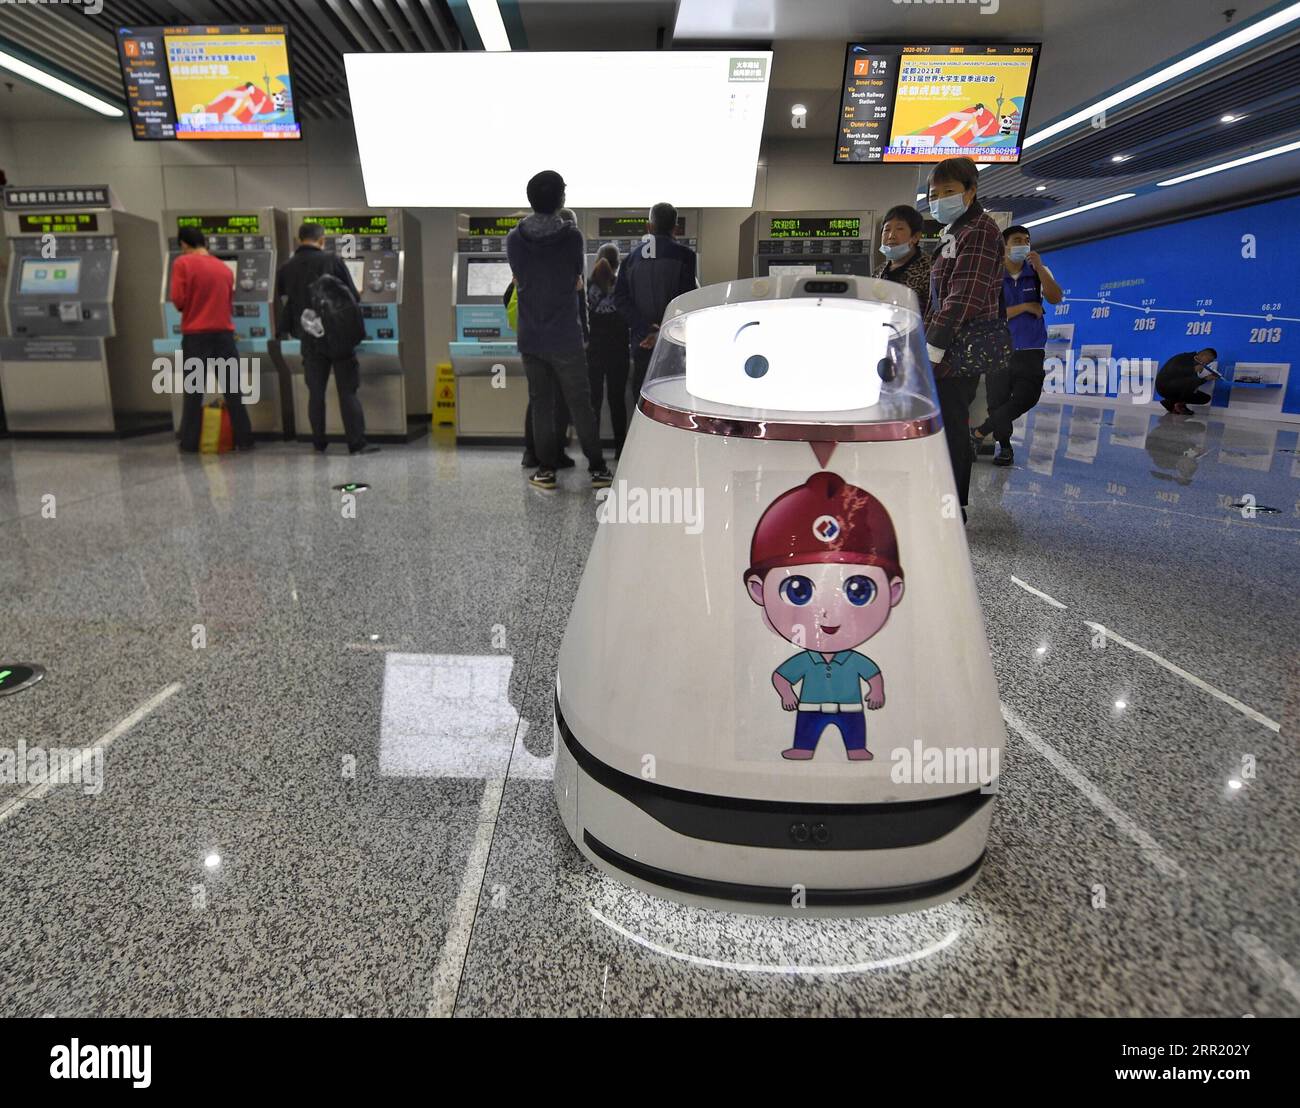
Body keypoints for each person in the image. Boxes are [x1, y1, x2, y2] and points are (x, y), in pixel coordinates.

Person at [506, 170, 612, 491]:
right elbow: (573, 280)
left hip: (531, 337)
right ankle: (597, 469)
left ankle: (546, 470)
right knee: (580, 404)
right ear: (561, 199)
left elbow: (520, 279)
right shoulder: (572, 238)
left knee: (541, 403)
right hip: (565, 336)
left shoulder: (514, 239)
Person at [923, 157, 1013, 515]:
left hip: (958, 349)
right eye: (934, 193)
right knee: (942, 424)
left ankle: (953, 505)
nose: (940, 198)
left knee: (951, 428)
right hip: (947, 345)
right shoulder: (956, 231)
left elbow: (965, 298)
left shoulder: (977, 231)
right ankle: (941, 500)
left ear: (970, 192)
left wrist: (931, 349)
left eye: (949, 191)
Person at [275, 222, 376, 455]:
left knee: (316, 393)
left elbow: (284, 301)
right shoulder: (332, 261)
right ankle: (356, 443)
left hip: (309, 338)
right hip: (339, 336)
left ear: (299, 239)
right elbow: (353, 296)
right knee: (347, 391)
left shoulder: (286, 268)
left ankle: (319, 442)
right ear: (322, 240)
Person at [973, 225, 1063, 466]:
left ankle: (979, 433)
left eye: (1026, 240)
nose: (1023, 244)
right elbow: (988, 315)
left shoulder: (1037, 272)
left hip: (1031, 349)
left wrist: (1041, 269)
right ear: (1004, 245)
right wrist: (1024, 307)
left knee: (1027, 397)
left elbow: (1055, 297)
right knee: (997, 401)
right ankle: (1004, 447)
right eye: (1017, 240)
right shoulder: (992, 276)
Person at [172, 225, 254, 454]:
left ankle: (189, 443)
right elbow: (228, 301)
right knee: (233, 390)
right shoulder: (224, 269)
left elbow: (178, 299)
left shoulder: (182, 264)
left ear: (184, 244)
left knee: (194, 391)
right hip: (224, 336)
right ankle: (245, 439)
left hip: (197, 336)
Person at [614, 202, 698, 408]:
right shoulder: (686, 256)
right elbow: (686, 301)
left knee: (643, 400)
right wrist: (663, 330)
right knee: (673, 400)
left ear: (648, 227)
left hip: (642, 342)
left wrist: (645, 328)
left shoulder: (630, 261)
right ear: (675, 228)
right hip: (674, 345)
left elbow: (620, 300)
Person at [587, 242, 631, 455]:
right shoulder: (623, 287)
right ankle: (620, 449)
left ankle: (593, 451)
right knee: (617, 402)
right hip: (619, 352)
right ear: (617, 264)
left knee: (593, 402)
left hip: (593, 353)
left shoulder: (588, 286)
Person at [873, 204, 931, 305]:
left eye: (899, 229)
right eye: (887, 230)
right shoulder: (879, 271)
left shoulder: (929, 270)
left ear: (915, 236)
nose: (891, 236)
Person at [1156, 348, 1220, 413]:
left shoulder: (1196, 363)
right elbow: (1173, 370)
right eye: (1209, 360)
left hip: (1176, 388)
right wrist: (1193, 369)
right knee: (1191, 384)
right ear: (1203, 355)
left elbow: (1192, 383)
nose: (1208, 363)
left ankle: (1172, 403)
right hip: (1164, 386)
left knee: (1205, 398)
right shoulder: (1183, 357)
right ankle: (1176, 405)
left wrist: (1207, 378)